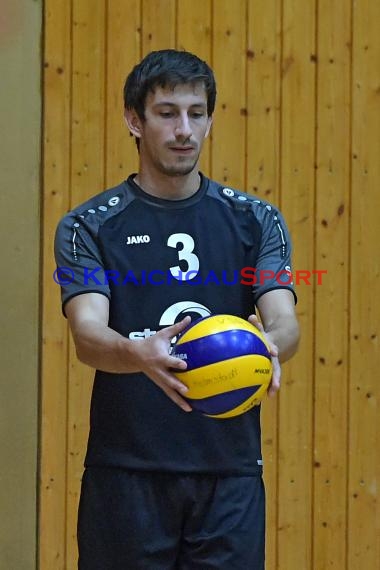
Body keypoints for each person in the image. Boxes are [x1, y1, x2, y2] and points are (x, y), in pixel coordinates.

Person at [55, 49, 299, 570]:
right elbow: (87, 334)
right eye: (167, 113)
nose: (184, 129)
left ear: (210, 118)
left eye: (197, 112)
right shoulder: (88, 227)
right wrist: (136, 352)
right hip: (127, 474)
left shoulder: (257, 221)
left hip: (228, 474)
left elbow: (283, 318)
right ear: (133, 120)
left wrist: (271, 344)